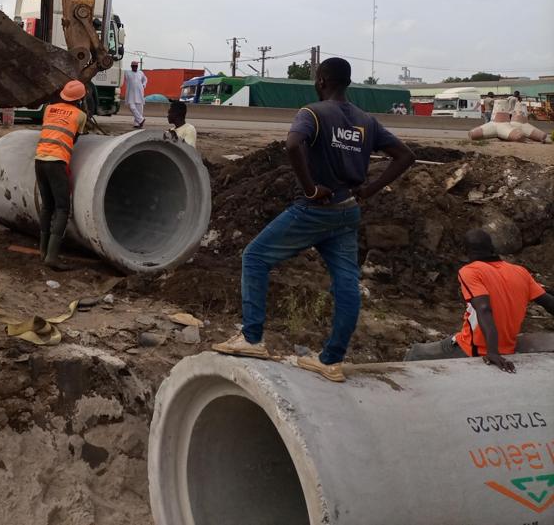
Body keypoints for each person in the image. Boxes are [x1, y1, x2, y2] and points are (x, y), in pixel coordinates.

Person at [213, 57, 416, 382]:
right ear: (346, 83)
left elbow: (293, 143)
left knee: (254, 256)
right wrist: (369, 190)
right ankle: (331, 361)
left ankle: (252, 339)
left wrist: (309, 189)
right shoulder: (366, 121)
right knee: (347, 283)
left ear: (322, 81)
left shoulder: (312, 113)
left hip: (316, 209)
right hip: (348, 210)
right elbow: (406, 155)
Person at [405, 229, 554, 372]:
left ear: (466, 251)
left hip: (474, 347)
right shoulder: (520, 271)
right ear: (492, 247)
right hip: (508, 345)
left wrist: (492, 352)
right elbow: (549, 303)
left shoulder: (470, 271)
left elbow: (484, 308)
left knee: (416, 352)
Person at [35, 80, 88, 271]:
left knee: (47, 205)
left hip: (39, 160)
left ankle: (42, 251)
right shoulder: (80, 115)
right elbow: (74, 139)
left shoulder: (49, 109)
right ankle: (52, 256)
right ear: (80, 99)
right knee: (63, 208)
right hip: (57, 163)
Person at [125, 62, 148, 128]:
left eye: (136, 66)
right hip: (131, 93)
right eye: (133, 66)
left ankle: (137, 124)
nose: (135, 67)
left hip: (140, 92)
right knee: (132, 107)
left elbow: (145, 79)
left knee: (139, 109)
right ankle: (141, 119)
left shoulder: (140, 73)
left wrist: (144, 84)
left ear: (137, 66)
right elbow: (126, 82)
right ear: (131, 66)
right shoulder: (127, 72)